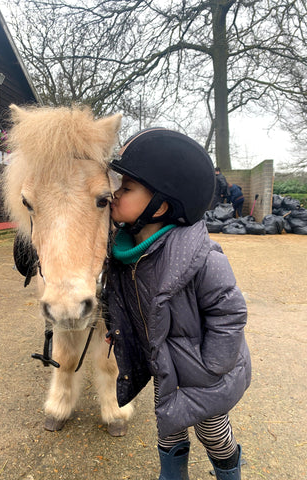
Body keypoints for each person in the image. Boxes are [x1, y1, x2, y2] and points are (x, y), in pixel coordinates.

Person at [106, 128, 251, 480]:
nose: (114, 193)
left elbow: (230, 312)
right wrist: (117, 330)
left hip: (204, 376)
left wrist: (211, 366)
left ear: (162, 205)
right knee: (167, 430)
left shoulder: (199, 257)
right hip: (166, 369)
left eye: (126, 188)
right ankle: (172, 475)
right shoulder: (125, 251)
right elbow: (124, 303)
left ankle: (228, 471)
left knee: (212, 435)